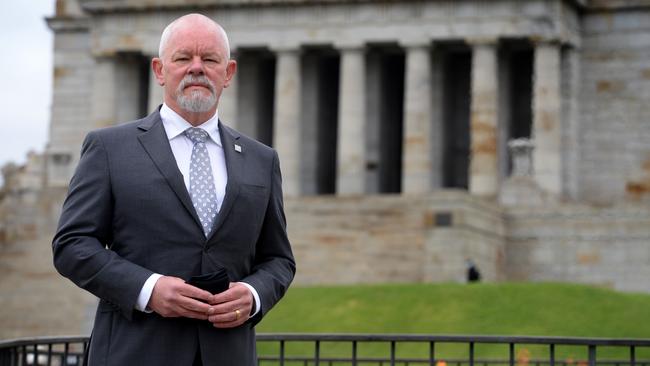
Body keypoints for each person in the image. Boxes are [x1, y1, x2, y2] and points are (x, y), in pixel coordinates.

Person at [52, 13, 295, 366]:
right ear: (160, 70)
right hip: (134, 352)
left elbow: (278, 259)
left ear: (227, 73)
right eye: (183, 58)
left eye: (209, 59)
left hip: (228, 354)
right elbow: (71, 245)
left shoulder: (262, 159)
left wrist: (254, 294)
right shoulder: (109, 148)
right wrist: (148, 289)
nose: (196, 68)